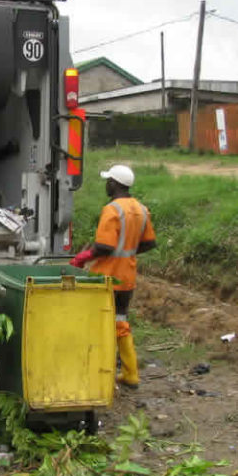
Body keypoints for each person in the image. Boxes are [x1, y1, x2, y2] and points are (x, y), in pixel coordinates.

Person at [70, 164, 156, 389]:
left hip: (106, 278)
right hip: (127, 277)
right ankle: (130, 374)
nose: (106, 184)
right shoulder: (141, 209)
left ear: (115, 184)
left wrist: (82, 258)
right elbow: (149, 243)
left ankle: (97, 369)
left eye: (108, 180)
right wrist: (127, 252)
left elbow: (104, 247)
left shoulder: (112, 210)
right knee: (120, 322)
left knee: (97, 322)